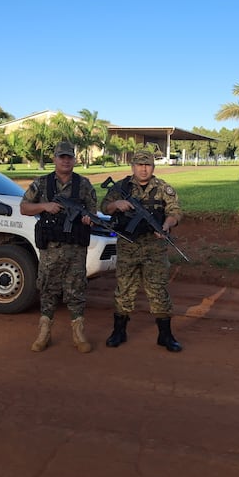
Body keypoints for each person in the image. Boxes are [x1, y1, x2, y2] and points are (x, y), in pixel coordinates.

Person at [100, 149, 183, 352]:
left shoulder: (163, 188)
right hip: (128, 247)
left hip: (155, 248)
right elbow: (103, 207)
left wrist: (166, 225)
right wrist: (116, 204)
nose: (143, 169)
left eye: (147, 165)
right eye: (139, 164)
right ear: (132, 166)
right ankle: (119, 331)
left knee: (158, 289)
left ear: (153, 167)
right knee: (124, 289)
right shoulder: (121, 187)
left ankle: (165, 335)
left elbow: (175, 212)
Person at [20, 141, 97, 353]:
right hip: (50, 249)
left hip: (75, 250)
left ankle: (78, 332)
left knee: (76, 288)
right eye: (61, 157)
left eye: (69, 157)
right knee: (47, 288)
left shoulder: (84, 185)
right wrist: (44, 206)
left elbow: (93, 213)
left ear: (74, 159)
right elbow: (24, 207)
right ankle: (44, 331)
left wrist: (88, 220)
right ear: (54, 159)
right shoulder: (42, 184)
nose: (65, 160)